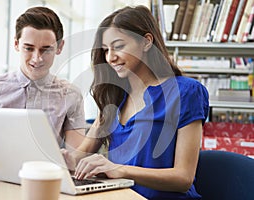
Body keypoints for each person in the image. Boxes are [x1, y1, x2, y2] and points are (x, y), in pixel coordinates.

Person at [62, 5, 209, 200]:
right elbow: (78, 156)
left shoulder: (186, 92)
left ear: (146, 42)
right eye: (106, 50)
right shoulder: (113, 96)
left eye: (119, 46)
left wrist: (120, 169)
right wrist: (63, 160)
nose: (110, 57)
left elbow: (184, 178)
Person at [0, 6, 86, 167]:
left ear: (59, 47)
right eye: (29, 48)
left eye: (46, 49)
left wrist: (70, 159)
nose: (37, 59)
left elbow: (77, 156)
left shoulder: (70, 95)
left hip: (42, 179)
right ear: (16, 44)